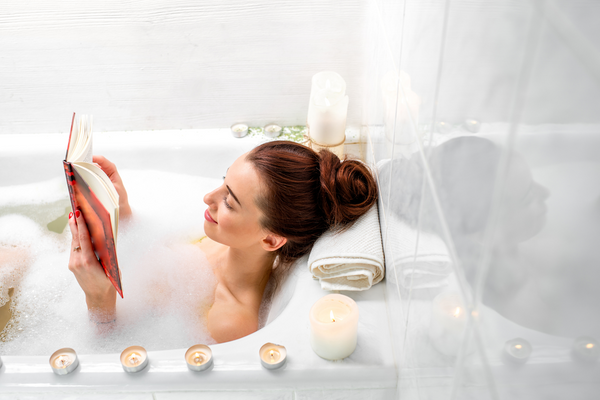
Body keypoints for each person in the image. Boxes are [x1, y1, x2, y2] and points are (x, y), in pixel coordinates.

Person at [67, 141, 378, 342]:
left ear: (270, 239)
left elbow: (112, 353)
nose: (209, 197)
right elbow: (154, 261)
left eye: (230, 202)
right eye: (223, 180)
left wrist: (98, 297)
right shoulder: (222, 241)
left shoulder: (230, 322)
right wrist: (120, 211)